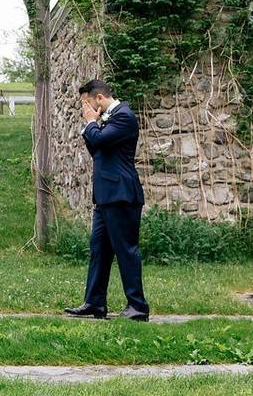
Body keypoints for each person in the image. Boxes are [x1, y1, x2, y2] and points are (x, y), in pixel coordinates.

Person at [64, 79, 150, 322]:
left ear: (99, 98)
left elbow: (98, 141)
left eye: (86, 103)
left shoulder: (124, 116)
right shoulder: (107, 122)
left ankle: (137, 306)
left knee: (126, 250)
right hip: (105, 197)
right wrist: (93, 127)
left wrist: (91, 123)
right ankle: (94, 302)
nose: (85, 109)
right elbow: (97, 150)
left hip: (122, 194)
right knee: (99, 250)